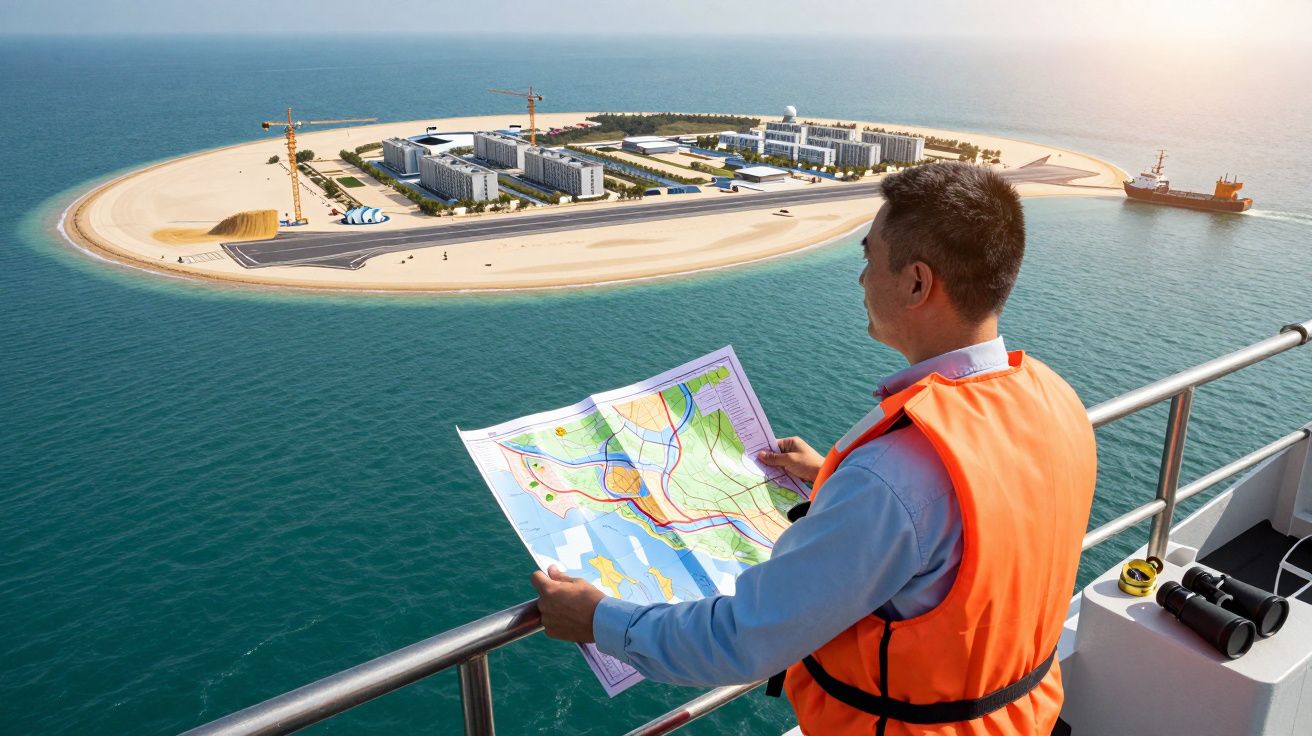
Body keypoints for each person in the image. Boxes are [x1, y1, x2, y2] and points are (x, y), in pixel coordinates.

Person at [531, 162, 1097, 735]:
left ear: (917, 283)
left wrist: (600, 620)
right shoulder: (1054, 400)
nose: (860, 279)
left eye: (868, 257)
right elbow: (980, 514)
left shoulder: (890, 479)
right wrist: (832, 473)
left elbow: (742, 639)